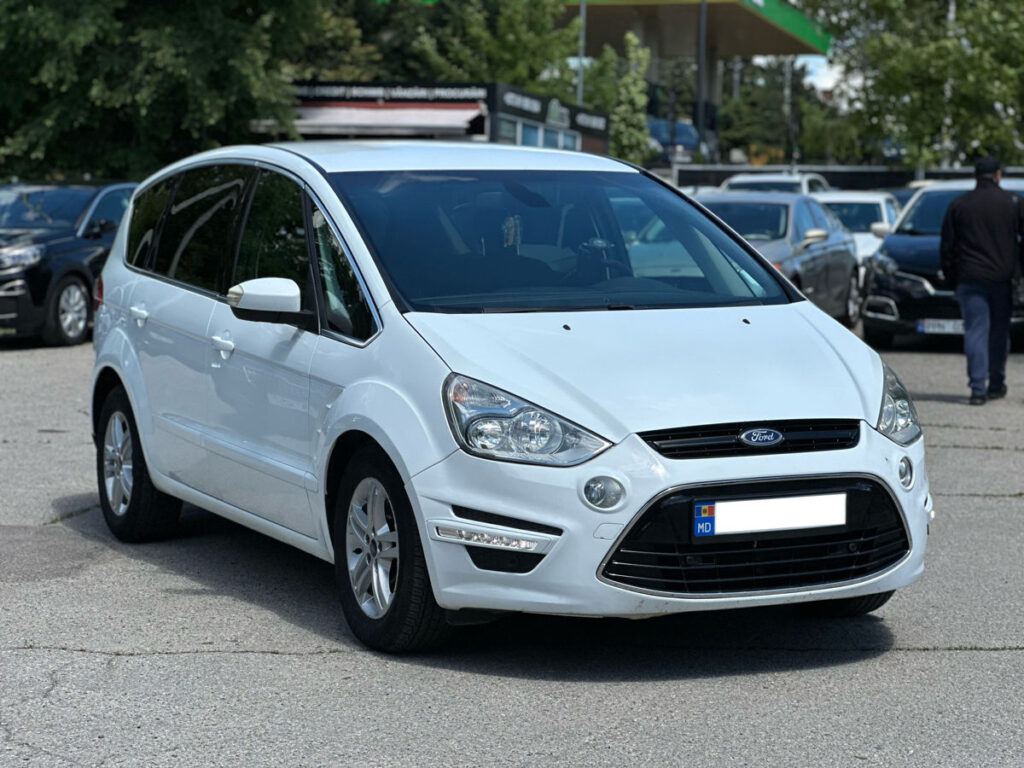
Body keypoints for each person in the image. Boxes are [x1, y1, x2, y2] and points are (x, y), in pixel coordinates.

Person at [940, 156, 1024, 405]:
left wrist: (951, 278)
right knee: (999, 333)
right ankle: (996, 383)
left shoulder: (959, 205)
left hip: (969, 279)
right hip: (1001, 279)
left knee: (975, 331)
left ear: (975, 176)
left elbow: (947, 247)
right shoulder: (1013, 203)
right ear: (998, 175)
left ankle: (977, 389)